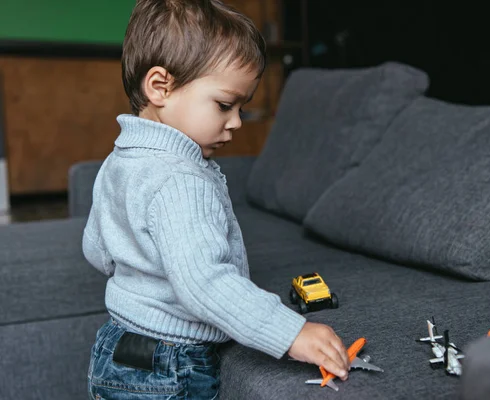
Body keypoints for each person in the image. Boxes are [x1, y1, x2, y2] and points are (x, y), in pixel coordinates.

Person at [83, 0, 349, 398]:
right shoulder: (180, 180)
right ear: (160, 87)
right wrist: (291, 331)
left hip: (115, 347)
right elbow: (205, 284)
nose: (236, 122)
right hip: (172, 363)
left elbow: (97, 248)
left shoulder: (118, 161)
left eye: (241, 107)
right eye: (225, 105)